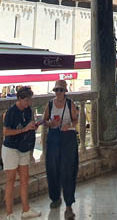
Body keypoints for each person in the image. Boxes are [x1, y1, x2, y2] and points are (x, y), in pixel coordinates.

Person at [2, 87, 40, 220]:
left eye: (30, 100)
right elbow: (6, 132)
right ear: (19, 99)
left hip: (23, 147)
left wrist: (32, 127)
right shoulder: (11, 112)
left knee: (25, 178)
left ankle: (26, 209)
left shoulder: (28, 110)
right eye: (26, 100)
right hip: (11, 148)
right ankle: (9, 213)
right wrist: (24, 130)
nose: (29, 103)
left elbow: (27, 125)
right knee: (11, 180)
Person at [44, 80, 78, 219]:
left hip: (68, 138)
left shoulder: (70, 104)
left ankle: (69, 205)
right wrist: (51, 123)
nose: (58, 92)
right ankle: (55, 197)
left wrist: (68, 125)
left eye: (61, 90)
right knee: (52, 168)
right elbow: (45, 121)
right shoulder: (50, 104)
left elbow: (76, 120)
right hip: (53, 137)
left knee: (68, 170)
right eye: (56, 90)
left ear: (65, 91)